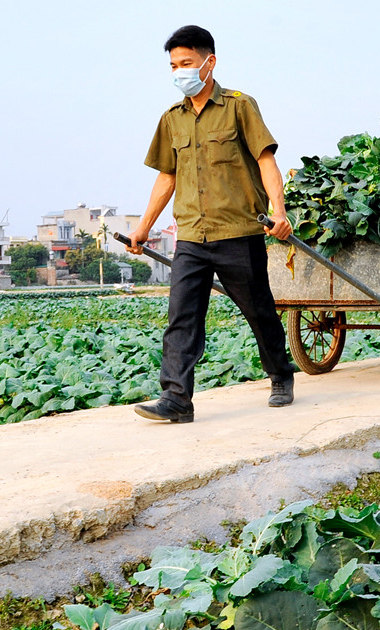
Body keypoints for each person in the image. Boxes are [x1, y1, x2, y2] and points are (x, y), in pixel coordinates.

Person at [127, 25, 296, 423]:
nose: (178, 72)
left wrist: (280, 211)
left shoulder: (240, 106)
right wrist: (143, 226)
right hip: (191, 236)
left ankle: (280, 374)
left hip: (238, 232)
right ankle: (176, 400)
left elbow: (265, 160)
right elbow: (166, 177)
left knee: (259, 311)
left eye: (186, 63)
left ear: (209, 62)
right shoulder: (171, 119)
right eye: (173, 65)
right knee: (182, 317)